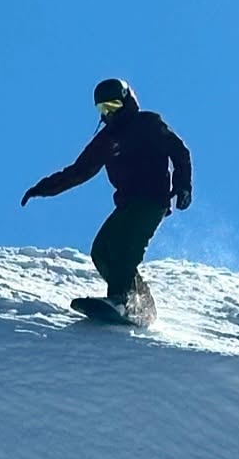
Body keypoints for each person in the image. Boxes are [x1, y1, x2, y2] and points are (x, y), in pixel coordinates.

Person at [21, 78, 192, 314]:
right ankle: (139, 300)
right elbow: (78, 171)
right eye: (103, 109)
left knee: (126, 250)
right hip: (127, 203)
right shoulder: (106, 139)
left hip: (152, 200)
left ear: (126, 101)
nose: (108, 114)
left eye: (112, 106)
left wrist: (183, 186)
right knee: (102, 251)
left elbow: (180, 152)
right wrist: (42, 188)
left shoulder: (148, 123)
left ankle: (122, 300)